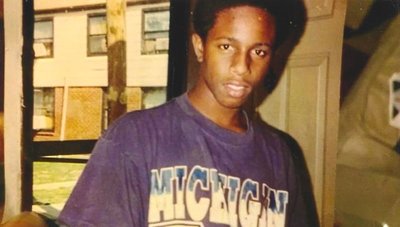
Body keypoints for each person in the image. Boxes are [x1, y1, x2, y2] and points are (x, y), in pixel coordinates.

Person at [58, 0, 318, 226]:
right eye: (227, 47)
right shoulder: (133, 138)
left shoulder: (280, 154)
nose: (242, 66)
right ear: (200, 47)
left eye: (259, 52)